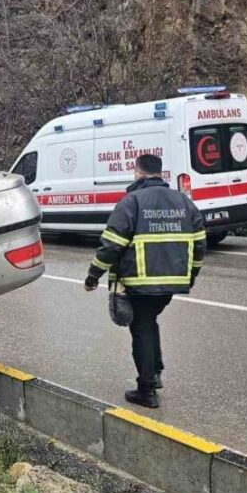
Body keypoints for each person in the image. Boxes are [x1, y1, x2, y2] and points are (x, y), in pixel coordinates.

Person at [83, 154, 205, 408]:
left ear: (138, 173)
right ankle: (156, 372)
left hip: (140, 282)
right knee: (149, 321)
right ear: (160, 173)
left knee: (141, 328)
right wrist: (191, 275)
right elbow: (200, 241)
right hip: (172, 281)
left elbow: (111, 246)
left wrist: (93, 276)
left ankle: (146, 389)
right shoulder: (183, 201)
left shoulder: (132, 201)